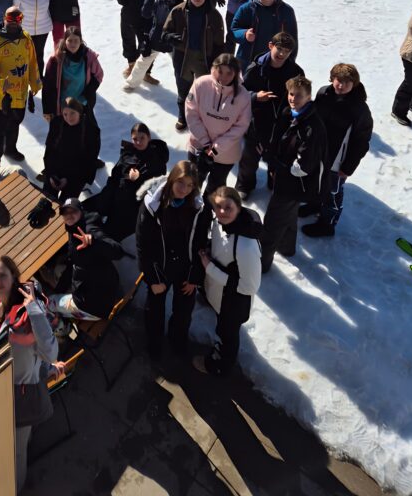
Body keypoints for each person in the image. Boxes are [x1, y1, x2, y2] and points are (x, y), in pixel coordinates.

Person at [0, 256, 64, 492]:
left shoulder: (29, 316)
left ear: (14, 276)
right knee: (20, 439)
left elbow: (50, 351)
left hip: (20, 393)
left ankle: (15, 489)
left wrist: (34, 309)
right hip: (3, 382)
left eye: (2, 276)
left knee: (17, 452)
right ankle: (28, 436)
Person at [136, 161, 204, 358]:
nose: (184, 189)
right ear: (172, 179)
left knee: (183, 312)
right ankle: (154, 343)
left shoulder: (196, 207)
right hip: (160, 268)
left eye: (190, 185)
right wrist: (154, 278)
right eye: (181, 182)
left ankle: (177, 340)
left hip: (185, 268)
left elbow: (200, 241)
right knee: (154, 311)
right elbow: (143, 244)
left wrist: (194, 276)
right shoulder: (152, 206)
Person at [260, 76, 327, 272]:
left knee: (272, 223)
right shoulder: (290, 113)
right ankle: (286, 247)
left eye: (299, 96)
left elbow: (302, 166)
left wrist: (278, 166)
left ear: (309, 97)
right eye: (291, 94)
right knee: (289, 214)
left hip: (294, 183)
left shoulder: (311, 127)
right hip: (286, 179)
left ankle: (261, 264)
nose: (293, 99)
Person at [193, 186, 261, 376]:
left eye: (228, 208)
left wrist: (210, 268)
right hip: (218, 293)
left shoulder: (246, 246)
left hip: (233, 302)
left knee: (227, 335)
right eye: (218, 207)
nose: (222, 212)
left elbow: (249, 286)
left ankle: (220, 365)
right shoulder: (220, 222)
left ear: (239, 208)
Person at [302, 64, 373, 237]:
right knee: (314, 181)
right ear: (332, 78)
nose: (341, 85)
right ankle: (314, 204)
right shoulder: (323, 93)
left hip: (337, 161)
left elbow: (361, 142)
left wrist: (348, 167)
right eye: (338, 80)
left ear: (354, 84)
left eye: (347, 82)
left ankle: (327, 224)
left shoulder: (359, 109)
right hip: (317, 152)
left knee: (332, 192)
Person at [236, 32, 303, 197]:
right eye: (279, 49)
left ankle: (274, 180)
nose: (281, 54)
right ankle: (245, 184)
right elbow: (240, 93)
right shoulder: (256, 68)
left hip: (282, 123)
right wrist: (255, 97)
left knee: (278, 156)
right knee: (249, 159)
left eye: (286, 51)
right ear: (270, 46)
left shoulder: (295, 71)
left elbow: (302, 94)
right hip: (257, 122)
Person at [87, 123, 169, 240]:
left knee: (108, 235)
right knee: (85, 211)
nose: (139, 142)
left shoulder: (155, 161)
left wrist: (138, 179)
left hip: (132, 206)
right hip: (116, 194)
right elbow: (115, 174)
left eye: (142, 138)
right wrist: (108, 191)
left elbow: (154, 189)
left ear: (149, 137)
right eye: (135, 139)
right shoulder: (129, 153)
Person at [162, 0, 225, 132]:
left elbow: (219, 42)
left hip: (205, 57)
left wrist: (217, 62)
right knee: (183, 88)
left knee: (206, 89)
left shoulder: (214, 15)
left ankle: (203, 116)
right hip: (183, 56)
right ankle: (183, 115)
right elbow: (165, 32)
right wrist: (170, 37)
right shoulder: (177, 11)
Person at [0, 7, 42, 166]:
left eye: (18, 18)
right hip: (3, 97)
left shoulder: (26, 38)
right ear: (4, 19)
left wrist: (35, 82)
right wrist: (1, 83)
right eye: (10, 19)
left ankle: (10, 148)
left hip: (20, 93)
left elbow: (32, 61)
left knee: (16, 121)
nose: (14, 23)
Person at [48, 197, 124, 322]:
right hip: (106, 287)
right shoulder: (75, 227)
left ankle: (62, 328)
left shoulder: (90, 230)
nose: (69, 216)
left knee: (49, 303)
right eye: (65, 213)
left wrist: (94, 241)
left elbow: (118, 252)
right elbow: (74, 262)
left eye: (73, 211)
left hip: (93, 307)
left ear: (81, 212)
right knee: (60, 272)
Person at [185, 54, 252, 193]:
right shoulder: (200, 84)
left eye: (229, 73)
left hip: (225, 155)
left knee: (215, 189)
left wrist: (215, 148)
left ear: (236, 73)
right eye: (219, 71)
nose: (223, 77)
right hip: (198, 147)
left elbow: (241, 126)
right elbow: (191, 114)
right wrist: (205, 142)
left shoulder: (243, 95)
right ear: (213, 68)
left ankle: (207, 213)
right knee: (191, 185)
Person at [230, 0, 298, 71]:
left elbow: (293, 39)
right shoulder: (246, 8)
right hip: (248, 60)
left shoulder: (286, 11)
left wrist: (290, 61)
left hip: (277, 60)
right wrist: (244, 34)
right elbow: (233, 31)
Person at [126, 0, 183, 90]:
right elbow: (145, 13)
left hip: (172, 39)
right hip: (156, 37)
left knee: (181, 64)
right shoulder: (157, 0)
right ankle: (131, 83)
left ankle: (187, 88)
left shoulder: (180, 2)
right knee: (143, 61)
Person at [42, 97, 100, 201]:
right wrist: (51, 174)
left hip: (77, 173)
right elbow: (49, 151)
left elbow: (89, 160)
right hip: (56, 169)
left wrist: (68, 179)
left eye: (72, 113)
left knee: (66, 206)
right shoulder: (56, 123)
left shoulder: (91, 130)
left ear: (79, 112)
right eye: (65, 114)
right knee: (46, 200)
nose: (69, 117)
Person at [41, 26, 103, 120]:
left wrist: (89, 92)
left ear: (81, 41)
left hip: (82, 104)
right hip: (62, 107)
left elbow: (98, 75)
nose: (73, 44)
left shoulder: (88, 57)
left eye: (76, 41)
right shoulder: (56, 60)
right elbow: (47, 86)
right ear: (65, 41)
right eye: (70, 40)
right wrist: (47, 110)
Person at [116, 0, 158, 79]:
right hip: (127, 17)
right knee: (128, 42)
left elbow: (155, 1)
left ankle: (146, 72)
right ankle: (131, 65)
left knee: (145, 46)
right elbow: (122, 1)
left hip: (143, 19)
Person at [14, 0, 53, 66]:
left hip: (43, 27)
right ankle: (25, 80)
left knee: (39, 56)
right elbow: (15, 9)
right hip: (25, 28)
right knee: (25, 56)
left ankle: (39, 80)